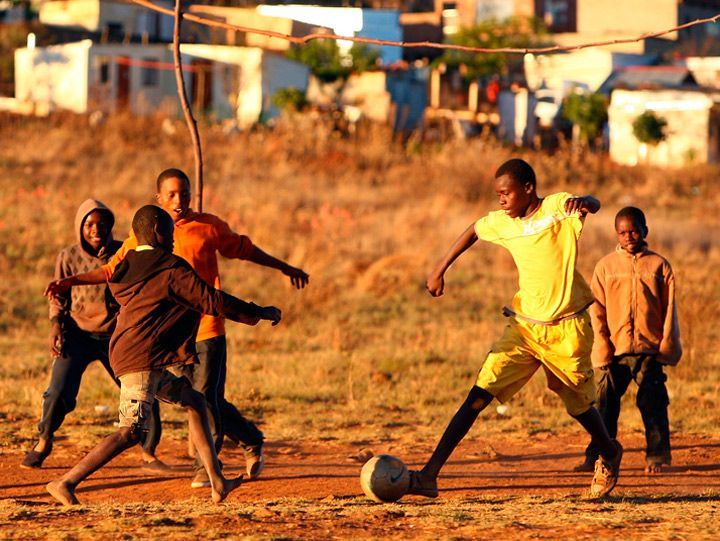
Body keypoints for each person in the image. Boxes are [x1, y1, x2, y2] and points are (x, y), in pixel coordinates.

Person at [44, 168, 309, 488]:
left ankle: (215, 478)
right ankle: (66, 483)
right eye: (168, 233)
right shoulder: (170, 268)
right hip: (142, 358)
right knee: (131, 432)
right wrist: (258, 312)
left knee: (197, 400)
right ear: (157, 230)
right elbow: (211, 299)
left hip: (155, 351)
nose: (173, 239)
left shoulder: (131, 262)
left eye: (184, 193)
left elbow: (115, 286)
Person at [406, 158, 622, 500]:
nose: (501, 200)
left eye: (506, 193)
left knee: (580, 406)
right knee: (479, 394)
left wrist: (585, 202)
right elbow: (474, 230)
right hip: (524, 329)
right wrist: (439, 268)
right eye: (497, 195)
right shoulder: (502, 223)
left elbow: (593, 202)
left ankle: (609, 452)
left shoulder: (556, 208)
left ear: (528, 189)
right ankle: (429, 475)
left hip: (567, 328)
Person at [22, 199, 163, 471]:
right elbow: (59, 297)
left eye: (102, 223)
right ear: (80, 227)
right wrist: (55, 325)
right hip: (77, 333)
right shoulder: (68, 257)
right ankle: (43, 440)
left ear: (111, 225)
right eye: (89, 224)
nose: (96, 229)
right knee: (57, 392)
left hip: (116, 335)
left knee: (142, 390)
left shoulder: (123, 252)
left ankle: (149, 451)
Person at [575, 207, 681, 475]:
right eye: (623, 232)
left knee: (653, 400)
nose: (629, 236)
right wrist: (602, 346)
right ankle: (597, 456)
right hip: (615, 348)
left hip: (649, 348)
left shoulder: (659, 266)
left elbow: (670, 309)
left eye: (634, 230)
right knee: (604, 404)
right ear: (616, 234)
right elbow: (596, 310)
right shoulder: (606, 266)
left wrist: (666, 345)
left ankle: (657, 457)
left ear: (645, 230)